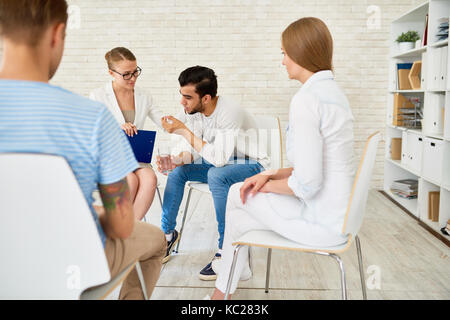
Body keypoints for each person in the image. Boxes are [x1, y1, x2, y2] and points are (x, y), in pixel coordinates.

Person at [0, 0, 166, 300]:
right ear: (57, 34)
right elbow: (120, 224)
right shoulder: (93, 118)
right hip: (69, 263)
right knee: (155, 241)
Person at [210, 17, 355, 300]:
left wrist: (261, 186)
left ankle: (223, 290)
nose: (283, 61)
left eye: (284, 53)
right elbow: (319, 162)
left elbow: (308, 183)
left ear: (300, 53)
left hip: (321, 223)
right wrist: (271, 174)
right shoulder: (334, 94)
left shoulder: (306, 99)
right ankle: (228, 285)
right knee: (239, 219)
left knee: (235, 193)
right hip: (340, 217)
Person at [156, 66, 270, 281]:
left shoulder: (230, 111)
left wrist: (183, 130)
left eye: (188, 97)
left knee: (217, 175)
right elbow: (193, 151)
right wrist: (174, 161)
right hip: (221, 162)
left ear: (206, 98)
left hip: (252, 165)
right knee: (179, 172)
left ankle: (225, 249)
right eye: (182, 95)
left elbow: (218, 160)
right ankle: (167, 235)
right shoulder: (195, 112)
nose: (182, 102)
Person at [89, 47, 163, 221]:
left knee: (150, 178)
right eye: (126, 74)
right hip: (110, 158)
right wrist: (116, 127)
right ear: (111, 73)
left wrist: (184, 119)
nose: (133, 78)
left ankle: (131, 231)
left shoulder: (144, 95)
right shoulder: (98, 95)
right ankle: (118, 229)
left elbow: (163, 121)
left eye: (135, 72)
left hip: (135, 158)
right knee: (129, 180)